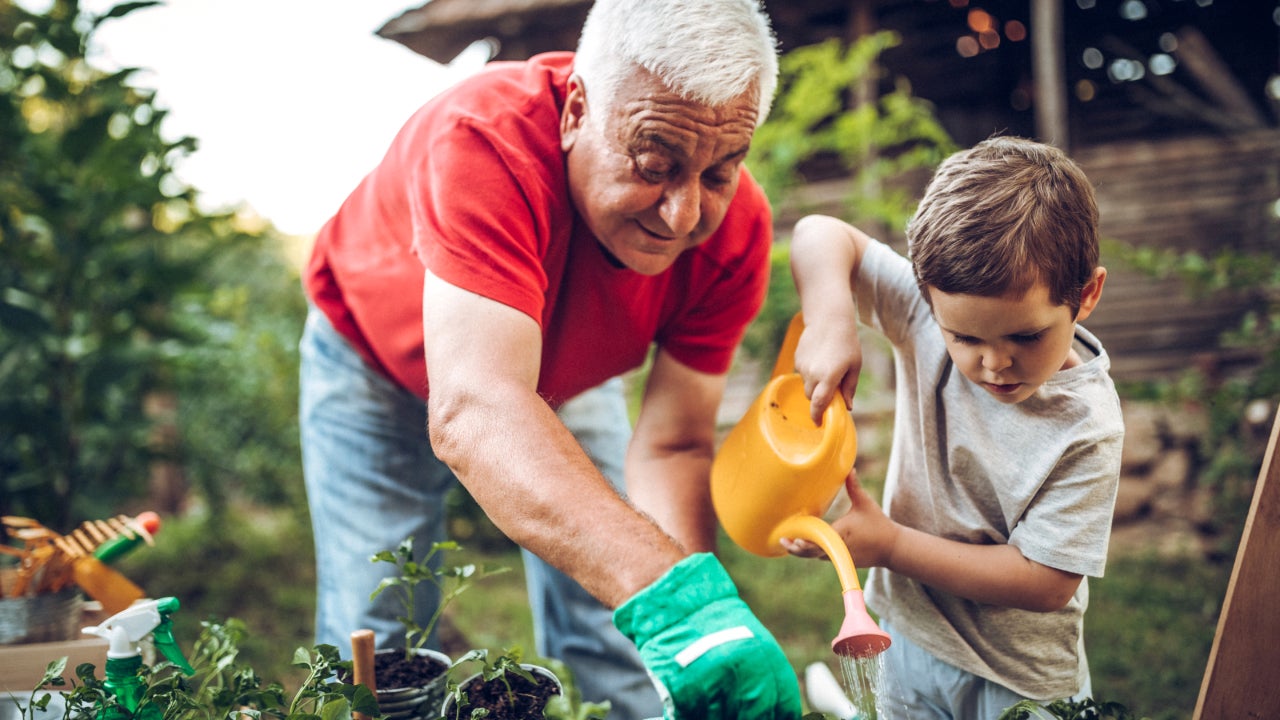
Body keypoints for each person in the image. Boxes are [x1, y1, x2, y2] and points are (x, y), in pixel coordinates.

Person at [298, 0, 801, 717]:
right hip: (371, 365)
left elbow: (674, 443)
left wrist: (700, 618)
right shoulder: (485, 140)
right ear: (575, 112)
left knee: (620, 627)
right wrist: (670, 596)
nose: (683, 215)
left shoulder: (734, 234)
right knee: (382, 641)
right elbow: (477, 409)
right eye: (655, 164)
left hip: (552, 380)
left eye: (719, 173)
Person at [784, 136, 1125, 719]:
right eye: (965, 338)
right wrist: (830, 317)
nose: (994, 363)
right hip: (908, 638)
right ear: (927, 297)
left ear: (1085, 295)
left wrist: (890, 545)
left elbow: (1045, 582)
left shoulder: (1087, 425)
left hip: (1019, 678)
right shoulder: (923, 312)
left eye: (1025, 336)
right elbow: (819, 232)